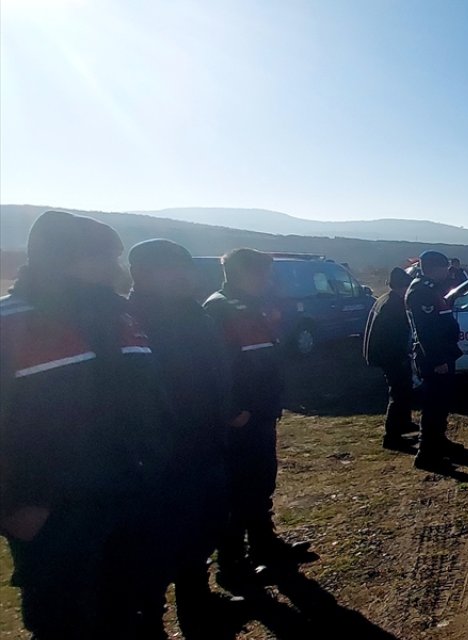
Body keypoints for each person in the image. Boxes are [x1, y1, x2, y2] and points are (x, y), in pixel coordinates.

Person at [1, 211, 174, 638]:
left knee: (133, 614)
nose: (116, 269)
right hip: (57, 517)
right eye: (103, 258)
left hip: (133, 500)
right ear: (60, 260)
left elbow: (149, 402)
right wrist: (12, 508)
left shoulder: (122, 318)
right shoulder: (11, 323)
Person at [127, 239, 241, 634]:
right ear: (142, 274)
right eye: (172, 269)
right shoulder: (131, 322)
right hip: (160, 458)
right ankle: (150, 621)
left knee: (201, 534)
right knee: (155, 550)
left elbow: (214, 373)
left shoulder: (194, 315)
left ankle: (199, 607)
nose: (185, 277)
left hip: (206, 447)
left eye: (187, 268)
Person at [205, 248, 312, 582]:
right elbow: (215, 369)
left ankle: (265, 546)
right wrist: (234, 410)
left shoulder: (253, 307)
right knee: (239, 491)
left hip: (263, 413)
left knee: (261, 483)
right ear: (240, 273)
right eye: (261, 274)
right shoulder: (219, 308)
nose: (267, 280)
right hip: (242, 420)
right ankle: (232, 566)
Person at [406, 250, 464, 471]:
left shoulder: (431, 289)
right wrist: (438, 359)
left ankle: (439, 442)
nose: (447, 273)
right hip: (434, 357)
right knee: (433, 404)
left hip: (444, 353)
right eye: (444, 269)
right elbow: (426, 332)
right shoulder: (421, 291)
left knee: (441, 403)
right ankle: (427, 454)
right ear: (432, 268)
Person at [364, 267, 417, 450]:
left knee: (404, 389)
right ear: (402, 286)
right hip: (392, 356)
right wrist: (403, 356)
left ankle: (403, 423)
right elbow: (394, 336)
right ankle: (392, 436)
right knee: (399, 392)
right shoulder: (394, 305)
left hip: (387, 355)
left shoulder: (385, 299)